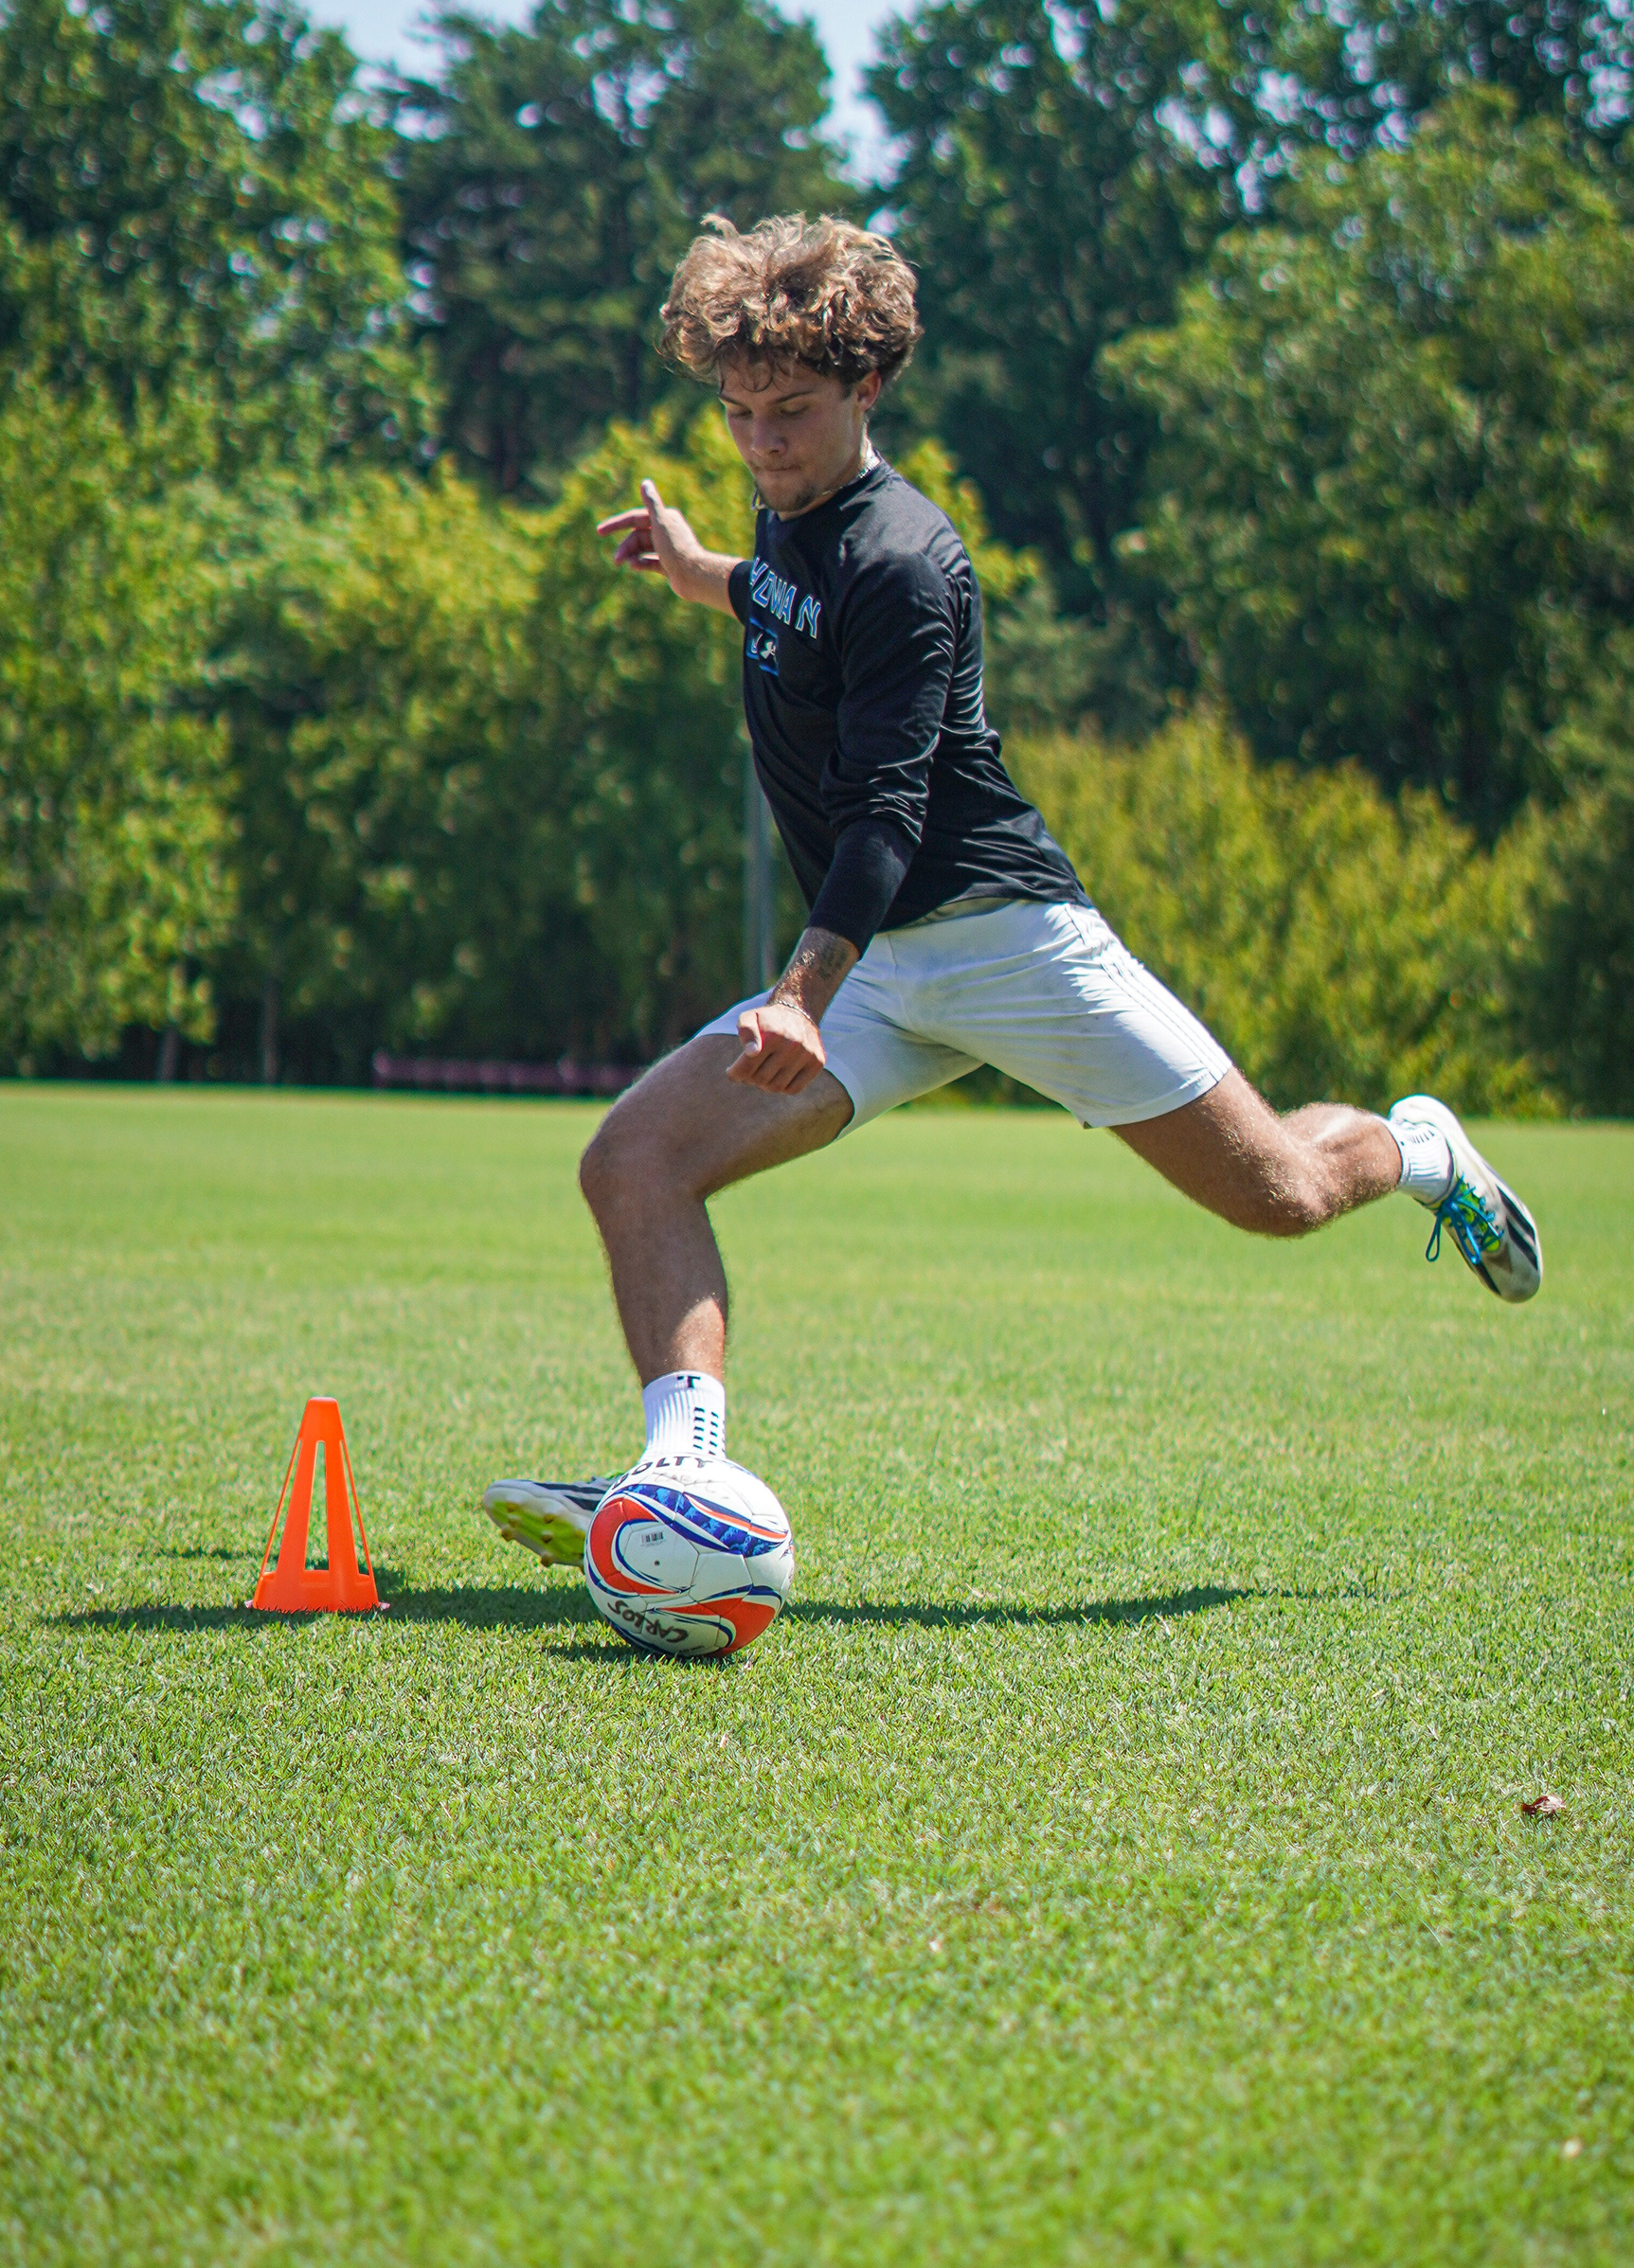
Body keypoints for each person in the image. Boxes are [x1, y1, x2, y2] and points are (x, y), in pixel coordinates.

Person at [485, 215, 1540, 1569]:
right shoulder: (791, 515)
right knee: (633, 1159)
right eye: (739, 413)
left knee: (1278, 1193)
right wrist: (702, 576)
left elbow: (887, 812)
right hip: (874, 970)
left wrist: (800, 995)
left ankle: (1418, 1152)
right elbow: (791, 606)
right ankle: (680, 1473)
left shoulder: (908, 559)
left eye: (790, 413)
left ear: (868, 385)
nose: (760, 443)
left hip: (1005, 943)